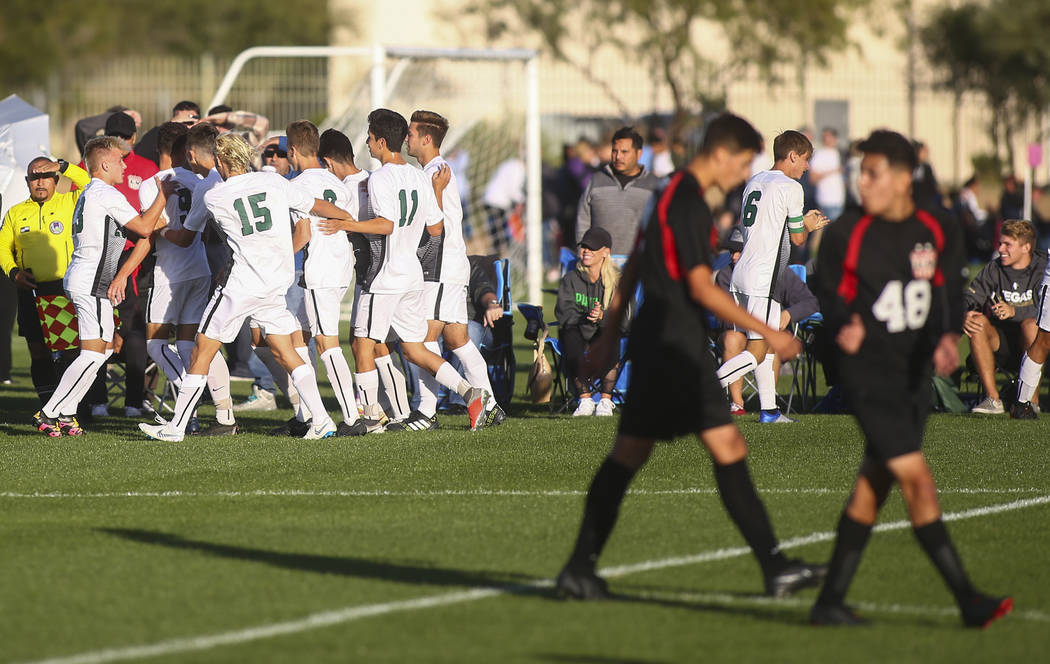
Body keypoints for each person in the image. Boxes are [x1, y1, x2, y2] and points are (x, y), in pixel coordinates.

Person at [555, 113, 825, 601]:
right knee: (648, 455)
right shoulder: (688, 203)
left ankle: (773, 567)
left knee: (661, 453)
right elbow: (699, 286)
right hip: (673, 346)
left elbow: (636, 261)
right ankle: (773, 567)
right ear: (721, 154)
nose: (743, 174)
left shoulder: (669, 190)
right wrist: (771, 333)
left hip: (661, 340)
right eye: (742, 163)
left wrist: (611, 337)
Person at [811, 129, 1009, 627]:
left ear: (902, 179)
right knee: (918, 483)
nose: (864, 182)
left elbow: (946, 292)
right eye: (862, 172)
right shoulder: (846, 233)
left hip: (914, 377)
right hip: (870, 377)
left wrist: (946, 337)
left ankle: (828, 602)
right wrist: (844, 325)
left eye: (874, 173)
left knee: (872, 487)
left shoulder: (938, 227)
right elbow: (829, 299)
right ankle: (968, 601)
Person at [139, 134, 354, 442]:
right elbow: (318, 207)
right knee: (285, 351)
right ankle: (321, 420)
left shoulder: (213, 195)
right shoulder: (277, 184)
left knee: (202, 349)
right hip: (276, 282)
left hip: (240, 286)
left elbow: (188, 234)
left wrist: (162, 225)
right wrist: (345, 218)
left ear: (222, 161)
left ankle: (175, 428)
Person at [319, 109, 495, 431]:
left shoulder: (380, 178)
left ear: (382, 141)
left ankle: (370, 418)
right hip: (413, 277)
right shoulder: (418, 177)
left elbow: (386, 224)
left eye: (370, 138)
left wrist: (348, 224)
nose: (368, 144)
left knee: (362, 343)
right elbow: (437, 227)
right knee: (415, 349)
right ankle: (471, 392)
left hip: (384, 277)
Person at [32, 136, 172, 437]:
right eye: (120, 160)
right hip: (91, 281)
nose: (124, 165)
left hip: (91, 279)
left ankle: (67, 413)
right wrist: (164, 194)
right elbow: (145, 227)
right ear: (105, 164)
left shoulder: (92, 191)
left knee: (104, 350)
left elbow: (143, 231)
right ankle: (50, 411)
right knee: (93, 354)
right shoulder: (105, 193)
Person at [715, 130, 828, 423]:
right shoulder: (791, 188)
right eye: (805, 160)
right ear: (792, 156)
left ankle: (769, 411)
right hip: (762, 277)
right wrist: (809, 225)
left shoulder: (755, 181)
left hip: (744, 273)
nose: (806, 168)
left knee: (766, 348)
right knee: (756, 350)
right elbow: (798, 239)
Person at [403, 109, 506, 431]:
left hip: (440, 266)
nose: (407, 138)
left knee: (422, 339)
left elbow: (432, 223)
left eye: (410, 133)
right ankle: (490, 407)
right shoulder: (438, 170)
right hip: (449, 265)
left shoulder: (434, 174)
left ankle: (426, 412)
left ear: (426, 138)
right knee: (458, 338)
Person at [317, 127, 413, 430]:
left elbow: (380, 226)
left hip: (375, 273)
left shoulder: (363, 185)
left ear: (328, 161)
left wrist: (344, 224)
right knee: (369, 343)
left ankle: (378, 413)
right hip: (373, 272)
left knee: (368, 343)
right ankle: (392, 409)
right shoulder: (364, 180)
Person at [284, 120, 364, 436]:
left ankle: (350, 418)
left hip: (321, 269)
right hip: (342, 266)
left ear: (292, 151)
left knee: (326, 343)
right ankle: (308, 413)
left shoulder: (298, 186)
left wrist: (278, 260)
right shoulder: (336, 183)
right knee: (300, 334)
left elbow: (302, 234)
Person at [1, 157, 91, 405]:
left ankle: (73, 406)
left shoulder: (71, 202)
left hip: (63, 289)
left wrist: (62, 165)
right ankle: (48, 405)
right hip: (30, 289)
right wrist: (13, 273)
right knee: (38, 351)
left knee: (70, 351)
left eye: (46, 176)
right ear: (27, 181)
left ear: (55, 180)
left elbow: (88, 183)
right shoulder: (15, 212)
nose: (40, 182)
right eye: (34, 177)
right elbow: (3, 247)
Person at [714, 227, 819, 414]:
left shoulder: (777, 272)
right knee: (733, 338)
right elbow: (724, 317)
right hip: (740, 333)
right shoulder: (726, 275)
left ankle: (768, 408)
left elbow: (811, 302)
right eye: (731, 251)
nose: (734, 256)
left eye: (740, 250)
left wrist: (789, 314)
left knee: (768, 342)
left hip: (770, 336)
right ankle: (737, 404)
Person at [964, 220, 1045, 414]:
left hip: (1038, 344)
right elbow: (971, 296)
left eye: (1007, 244)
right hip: (1003, 343)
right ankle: (993, 400)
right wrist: (965, 314)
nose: (1000, 249)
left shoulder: (1043, 268)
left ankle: (1030, 402)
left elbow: (1046, 311)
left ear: (1026, 247)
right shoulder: (994, 269)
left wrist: (1015, 312)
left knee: (1030, 325)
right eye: (1000, 243)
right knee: (977, 322)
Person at [556, 227, 629, 417]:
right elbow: (563, 313)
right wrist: (587, 316)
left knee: (611, 334)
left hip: (606, 330)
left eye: (592, 248)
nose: (586, 251)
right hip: (578, 329)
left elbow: (625, 319)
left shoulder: (617, 281)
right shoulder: (570, 279)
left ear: (606, 252)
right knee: (569, 334)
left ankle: (605, 400)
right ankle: (585, 399)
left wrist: (603, 316)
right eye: (584, 247)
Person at [575, 127, 660, 264]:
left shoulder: (654, 185)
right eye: (614, 151)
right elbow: (583, 219)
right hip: (600, 265)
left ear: (639, 154)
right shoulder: (596, 180)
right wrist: (583, 249)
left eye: (624, 152)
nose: (618, 156)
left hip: (639, 264)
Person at [135, 101, 201, 166]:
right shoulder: (166, 139)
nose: (185, 126)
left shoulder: (205, 139)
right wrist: (171, 124)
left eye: (190, 122)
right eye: (180, 122)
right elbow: (141, 152)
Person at [809, 128, 845, 222]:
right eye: (825, 137)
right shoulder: (819, 154)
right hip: (826, 199)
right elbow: (813, 178)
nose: (827, 140)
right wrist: (833, 171)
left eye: (829, 137)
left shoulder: (838, 153)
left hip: (839, 199)